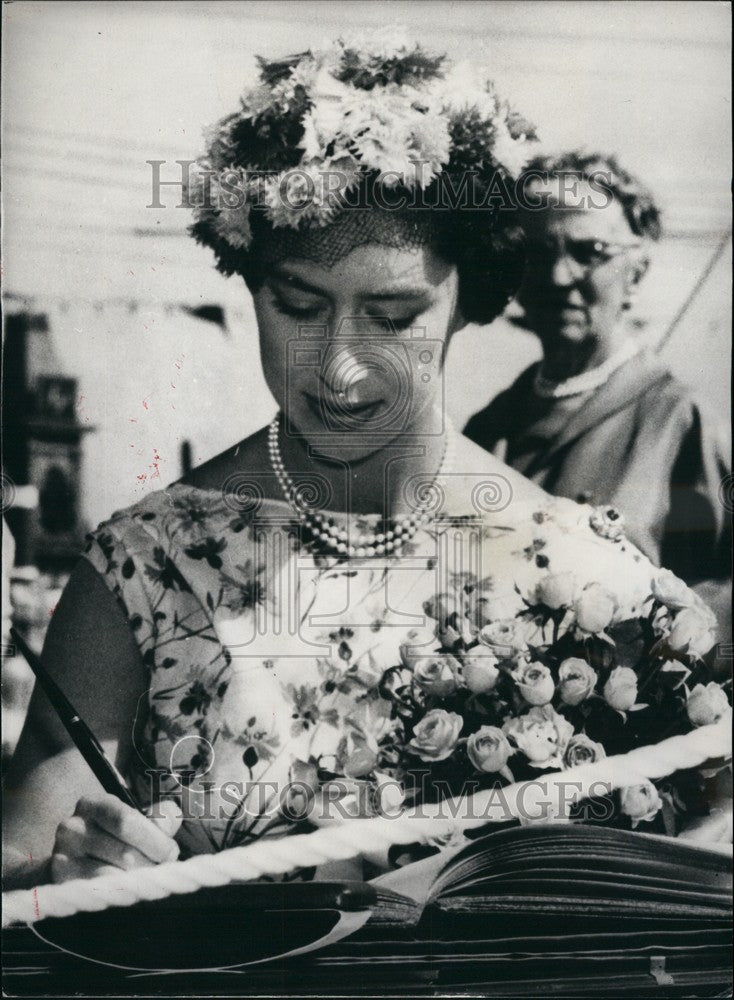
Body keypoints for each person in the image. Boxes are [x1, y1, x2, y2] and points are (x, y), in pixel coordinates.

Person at [3, 44, 729, 890]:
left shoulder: (584, 575)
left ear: (469, 300)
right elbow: (17, 880)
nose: (340, 366)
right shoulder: (146, 567)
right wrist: (63, 875)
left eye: (393, 315)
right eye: (299, 304)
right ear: (250, 283)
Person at [464, 152, 731, 587]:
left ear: (636, 271)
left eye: (589, 252)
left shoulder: (680, 424)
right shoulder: (488, 427)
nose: (558, 276)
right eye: (537, 252)